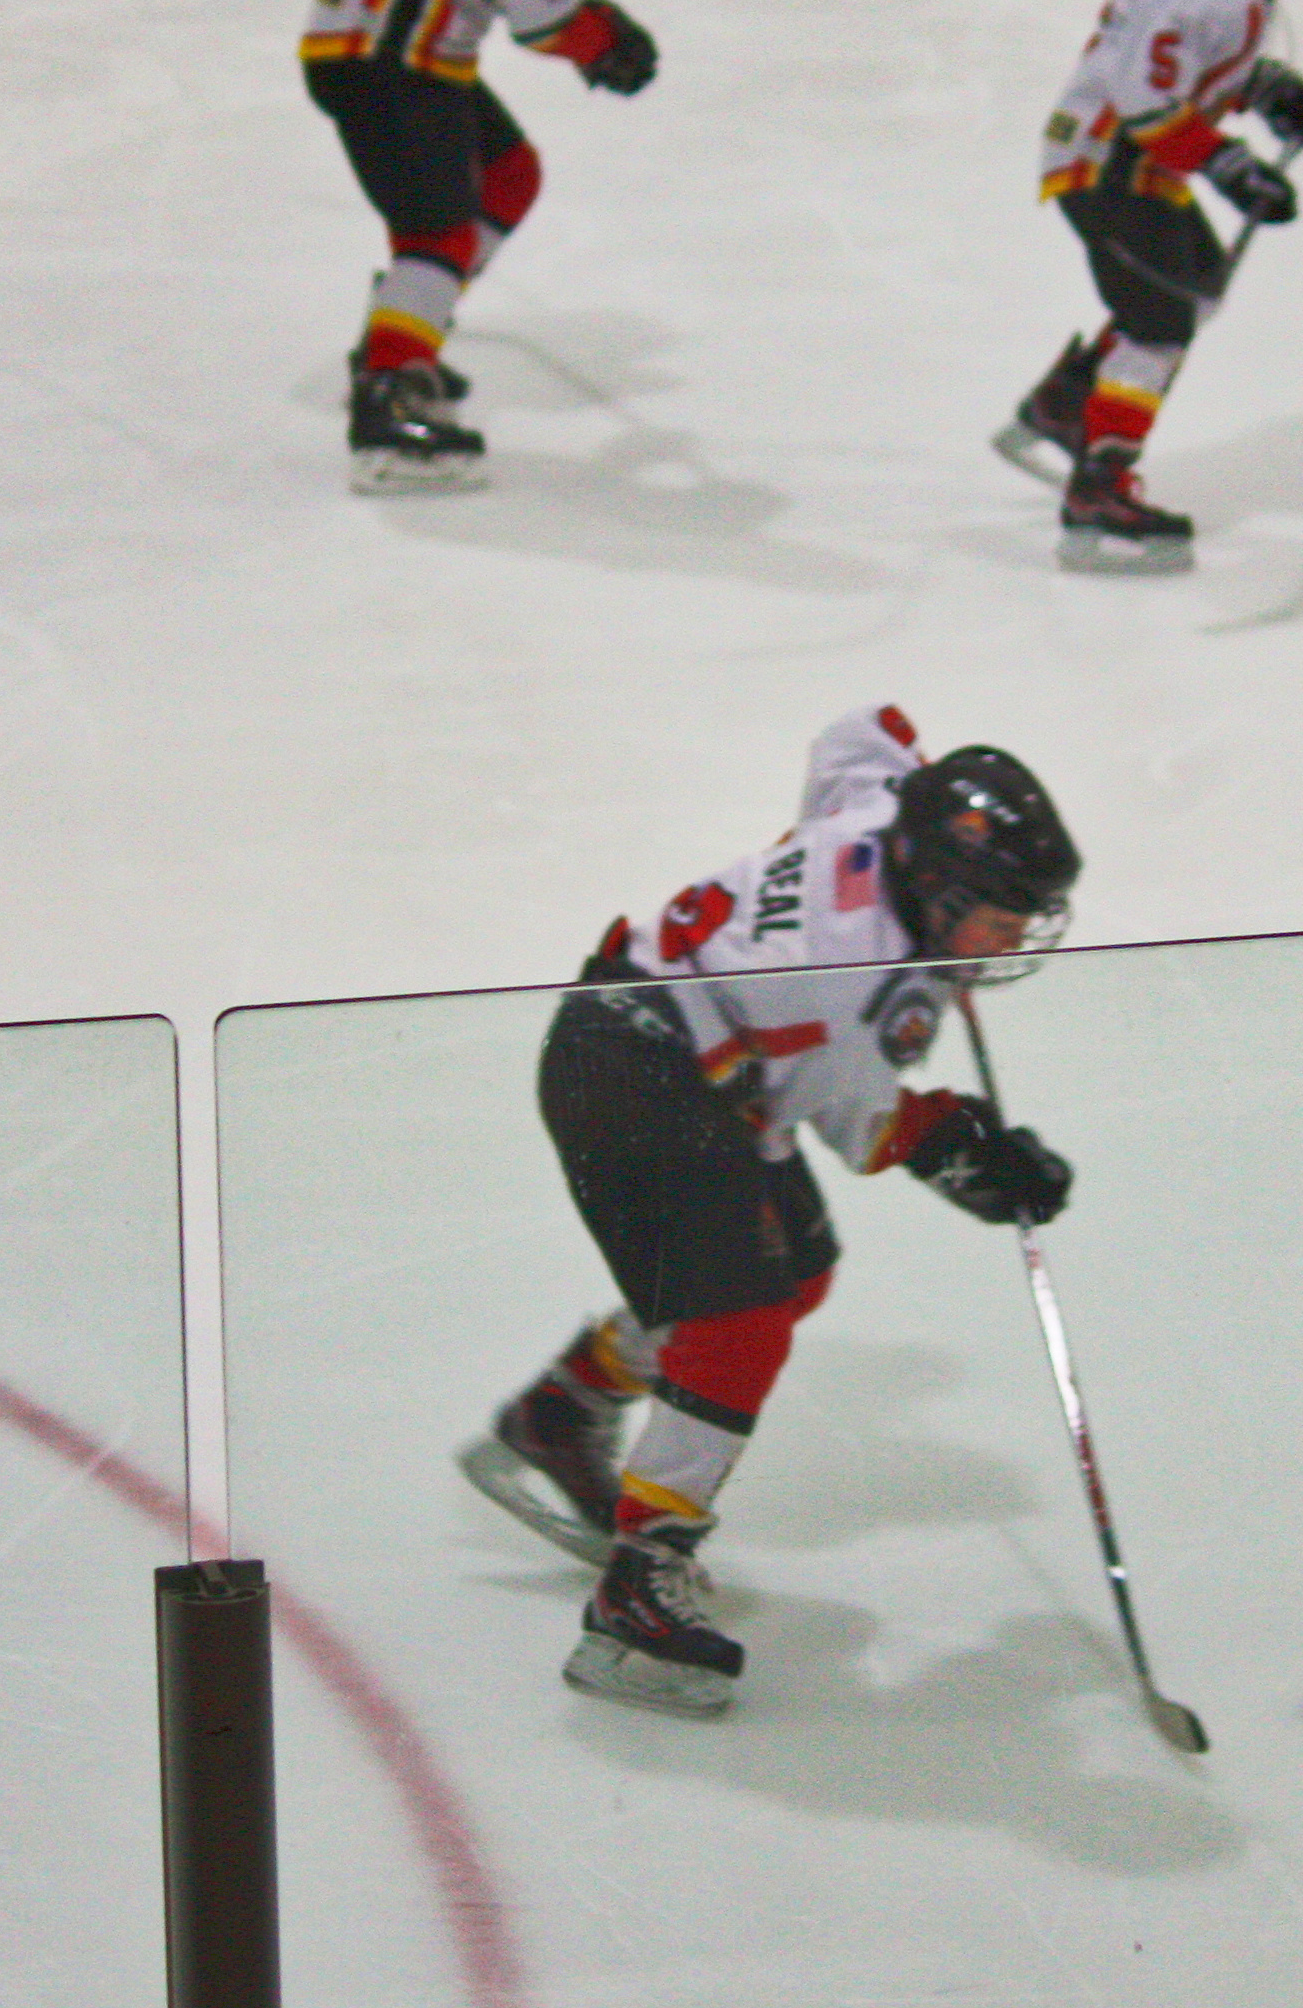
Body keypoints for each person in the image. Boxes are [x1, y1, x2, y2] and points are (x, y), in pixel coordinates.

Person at [458, 704, 1082, 1717]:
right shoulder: (849, 985)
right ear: (938, 882)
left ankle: (562, 1410)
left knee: (796, 1272)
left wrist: (927, 791)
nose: (1012, 939)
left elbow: (860, 736)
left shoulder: (882, 810)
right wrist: (965, 1144)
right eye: (999, 917)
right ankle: (637, 1590)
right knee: (740, 1319)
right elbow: (864, 1127)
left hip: (679, 1048)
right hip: (632, 1075)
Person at [299, 0, 659, 492]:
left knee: (507, 175)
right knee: (437, 229)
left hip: (404, 48)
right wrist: (599, 40)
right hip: (386, 56)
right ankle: (389, 407)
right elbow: (536, 16)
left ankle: (403, 331)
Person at [996, 0, 1303, 573]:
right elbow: (1141, 94)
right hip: (1106, 163)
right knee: (1160, 323)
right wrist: (1227, 165)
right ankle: (1099, 486)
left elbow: (1184, 68)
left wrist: (1263, 89)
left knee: (1197, 290)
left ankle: (1069, 404)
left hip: (1135, 163)